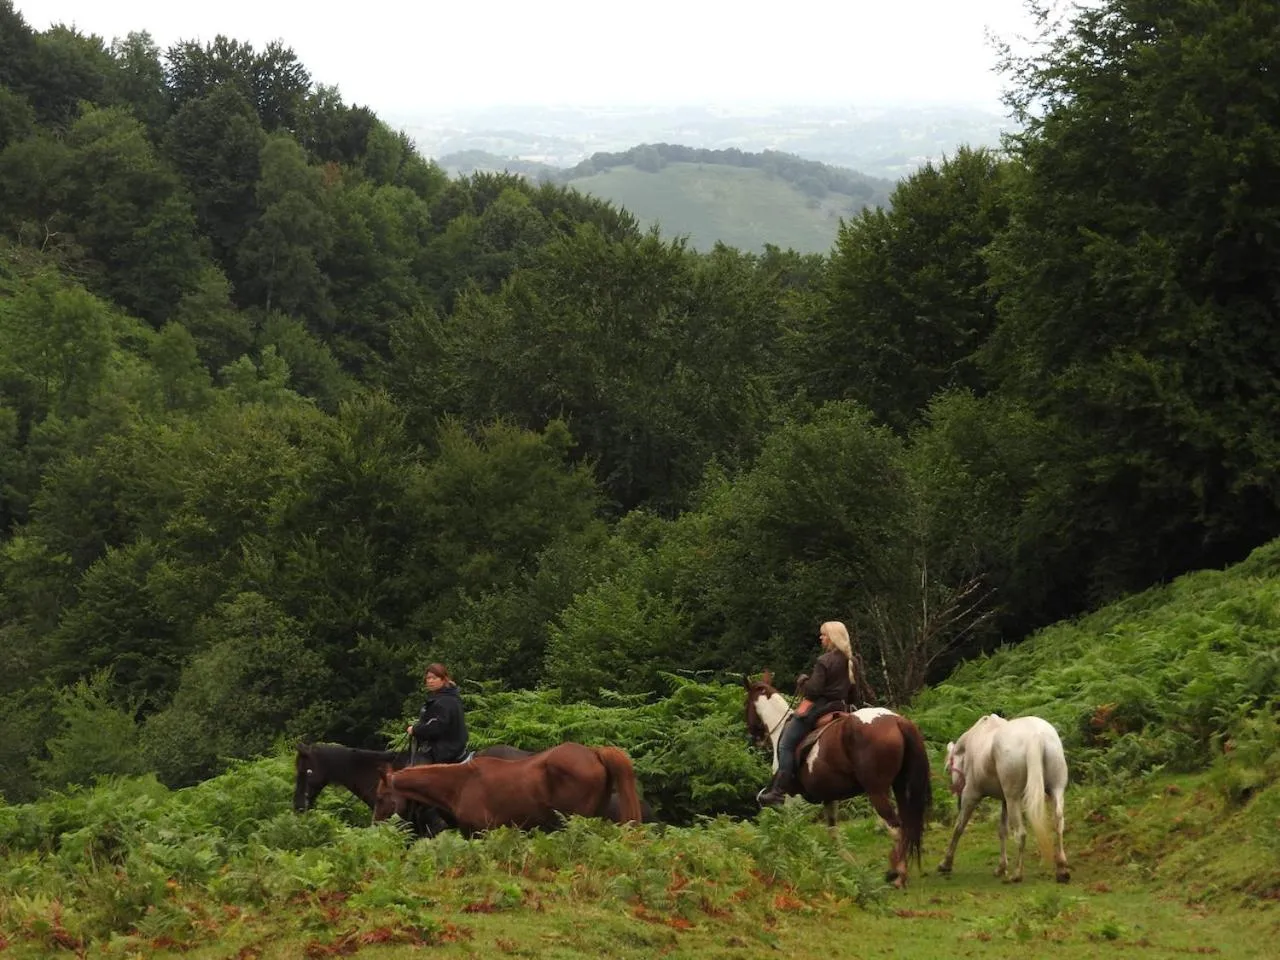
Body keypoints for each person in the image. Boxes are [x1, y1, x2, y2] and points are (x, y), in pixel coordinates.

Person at [757, 620, 856, 807]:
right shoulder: (850, 660)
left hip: (819, 709)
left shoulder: (824, 661)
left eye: (824, 634)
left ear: (832, 637)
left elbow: (813, 691)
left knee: (785, 744)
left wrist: (803, 681)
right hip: (839, 708)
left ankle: (778, 791)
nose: (821, 637)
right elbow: (853, 691)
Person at [406, 663, 469, 765]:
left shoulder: (444, 701)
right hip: (453, 747)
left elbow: (436, 726)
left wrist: (414, 730)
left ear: (443, 679)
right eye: (428, 678)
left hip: (445, 751)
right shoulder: (450, 697)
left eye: (434, 678)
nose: (430, 681)